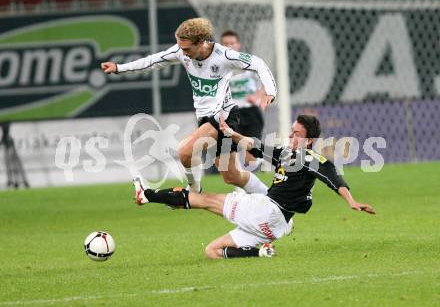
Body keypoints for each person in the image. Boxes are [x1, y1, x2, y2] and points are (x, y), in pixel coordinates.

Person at [132, 114, 376, 259]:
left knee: (203, 199)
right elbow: (255, 145)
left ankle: (147, 195)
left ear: (310, 140)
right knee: (212, 251)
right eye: (291, 132)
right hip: (273, 227)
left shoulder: (310, 157)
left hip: (266, 210)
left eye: (297, 134)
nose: (292, 137)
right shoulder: (287, 153)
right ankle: (259, 252)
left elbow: (332, 176)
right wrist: (230, 132)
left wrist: (351, 201)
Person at [101, 18, 276, 195]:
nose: (182, 52)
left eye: (186, 48)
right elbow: (153, 61)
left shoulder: (224, 55)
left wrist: (270, 90)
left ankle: (194, 191)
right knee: (232, 176)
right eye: (180, 47)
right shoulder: (181, 51)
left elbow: (258, 63)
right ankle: (270, 198)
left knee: (185, 151)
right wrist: (118, 67)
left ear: (201, 42)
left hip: (223, 117)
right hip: (205, 118)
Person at [220, 30, 265, 174]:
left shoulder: (250, 64)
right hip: (232, 113)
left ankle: (257, 160)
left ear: (238, 45)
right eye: (225, 44)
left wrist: (257, 97)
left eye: (232, 43)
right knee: (231, 151)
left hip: (251, 112)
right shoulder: (218, 68)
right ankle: (240, 187)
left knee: (250, 155)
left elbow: (265, 86)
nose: (229, 46)